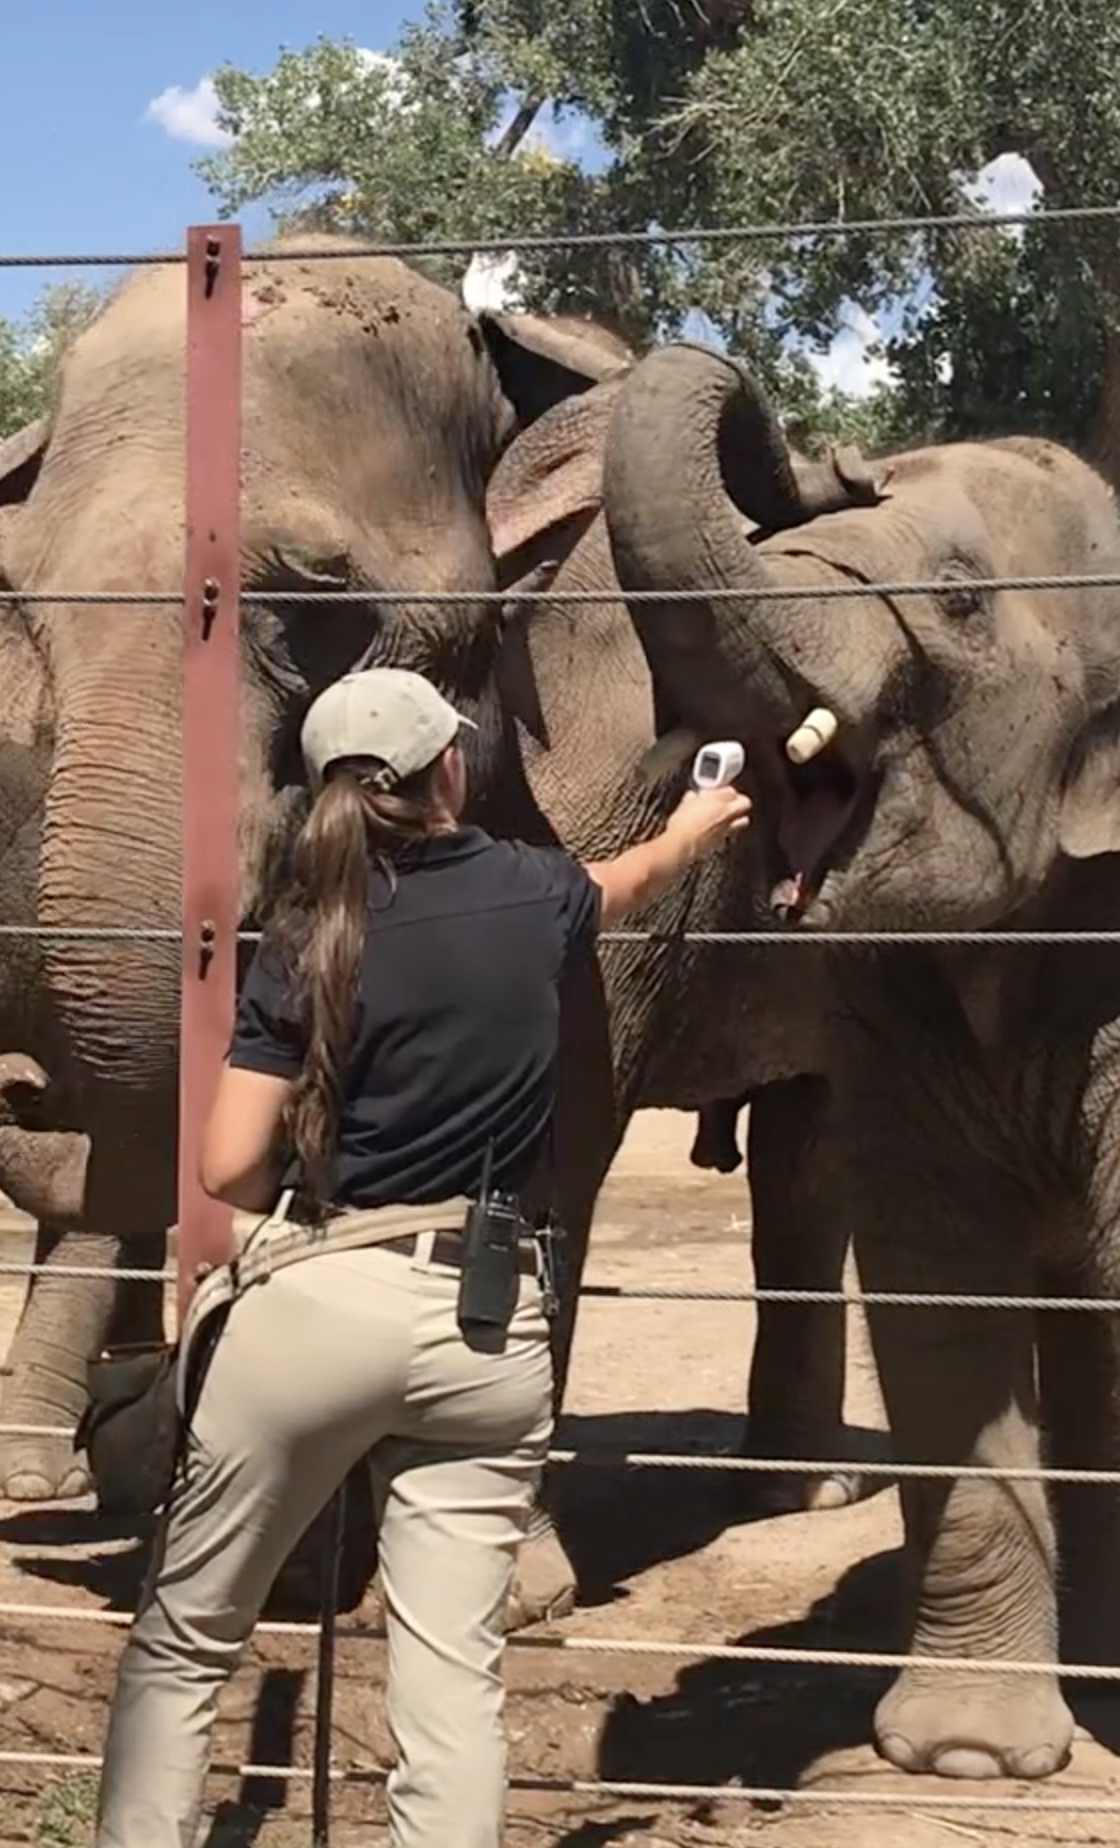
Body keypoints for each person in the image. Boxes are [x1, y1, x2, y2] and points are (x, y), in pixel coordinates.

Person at [93, 666, 751, 1848]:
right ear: (450, 768)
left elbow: (227, 1167)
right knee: (454, 1677)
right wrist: (695, 828)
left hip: (322, 1307)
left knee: (189, 1634)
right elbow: (628, 883)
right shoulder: (534, 893)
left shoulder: (307, 934)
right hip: (490, 1326)